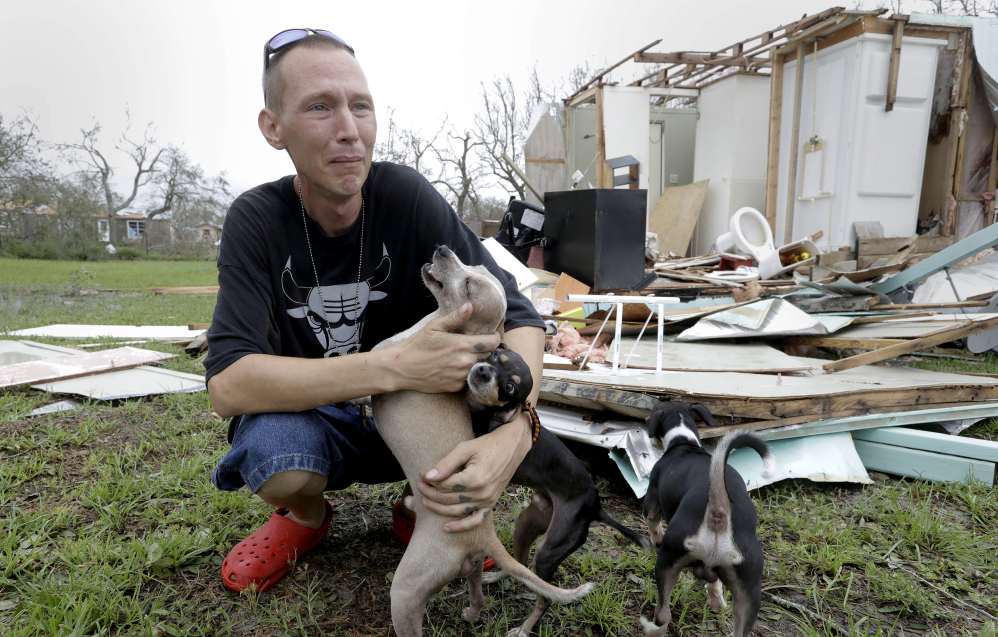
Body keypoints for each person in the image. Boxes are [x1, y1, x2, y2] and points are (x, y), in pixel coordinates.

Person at [204, 29, 545, 593]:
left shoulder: (406, 196)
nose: (348, 129)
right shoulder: (255, 221)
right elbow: (229, 384)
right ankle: (307, 517)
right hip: (322, 419)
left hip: (423, 423)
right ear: (273, 128)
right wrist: (396, 366)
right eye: (320, 107)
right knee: (270, 453)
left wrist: (516, 434)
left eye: (360, 106)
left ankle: (424, 504)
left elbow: (521, 315)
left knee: (496, 395)